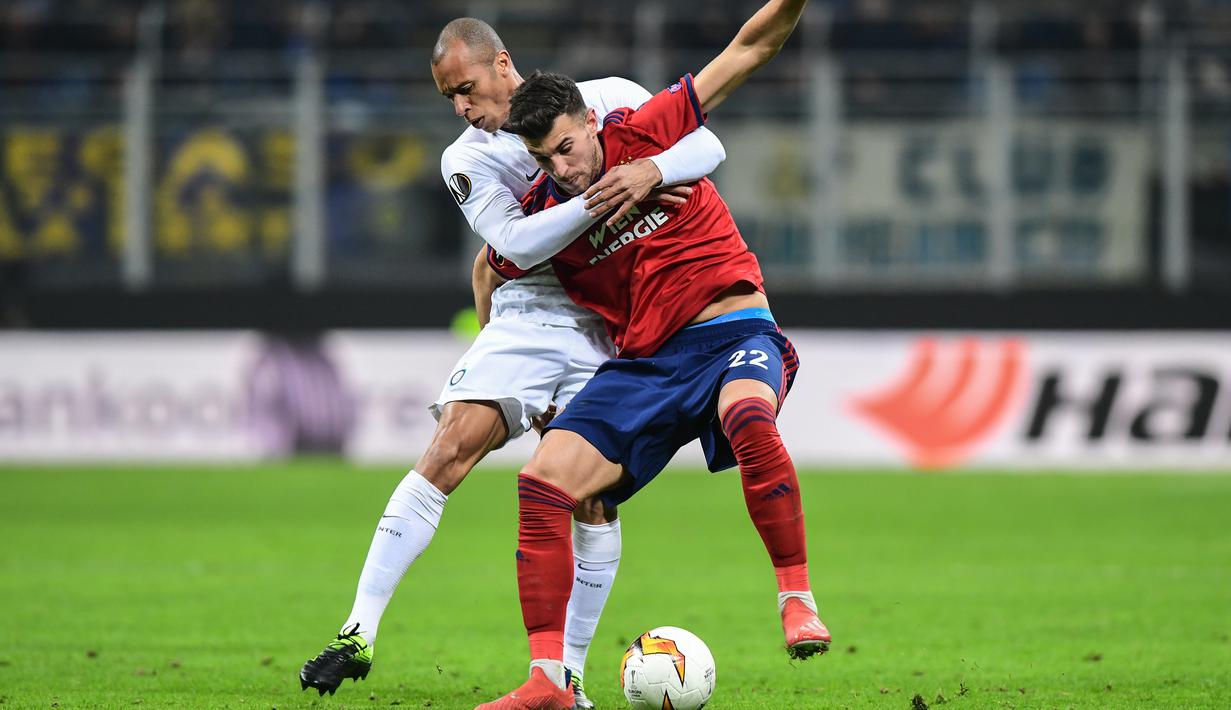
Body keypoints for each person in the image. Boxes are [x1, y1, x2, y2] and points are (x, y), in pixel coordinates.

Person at [297, 17, 728, 708]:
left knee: (589, 497)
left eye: (466, 89)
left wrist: (653, 169)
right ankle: (357, 631)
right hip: (528, 315)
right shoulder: (463, 160)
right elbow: (516, 246)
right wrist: (612, 192)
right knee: (450, 447)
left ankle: (568, 682)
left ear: (502, 64)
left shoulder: (608, 95)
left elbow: (703, 145)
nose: (463, 108)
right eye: (449, 99)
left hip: (607, 317)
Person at [474, 1, 824, 708]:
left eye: (567, 147)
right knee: (542, 484)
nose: (563, 169)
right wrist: (497, 358)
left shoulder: (646, 132)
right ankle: (549, 682)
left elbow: (748, 49)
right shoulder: (550, 217)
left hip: (730, 331)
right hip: (644, 366)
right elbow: (489, 267)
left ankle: (795, 597)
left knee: (750, 419)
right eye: (543, 159)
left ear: (588, 122)